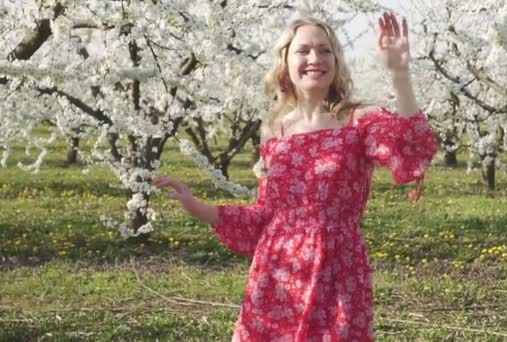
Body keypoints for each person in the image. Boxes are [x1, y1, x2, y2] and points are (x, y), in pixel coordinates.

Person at [154, 13, 438, 341]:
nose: (314, 59)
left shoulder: (357, 120)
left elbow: (412, 148)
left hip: (337, 272)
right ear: (285, 62)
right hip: (277, 273)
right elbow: (266, 214)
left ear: (336, 61)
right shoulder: (276, 129)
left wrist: (399, 74)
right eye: (303, 51)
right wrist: (197, 206)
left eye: (324, 50)